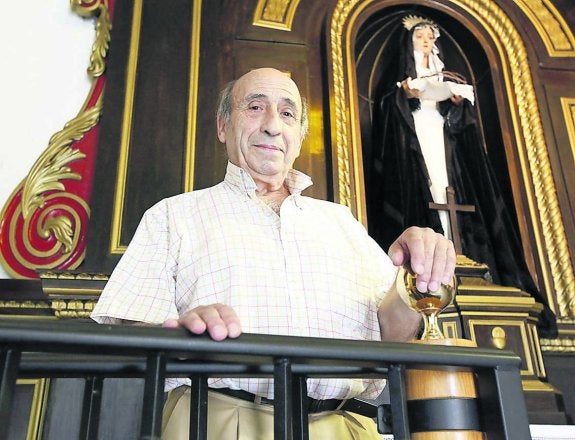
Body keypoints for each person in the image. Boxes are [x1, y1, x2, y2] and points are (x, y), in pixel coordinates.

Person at [91, 67, 456, 439]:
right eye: (254, 107)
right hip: (215, 419)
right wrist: (180, 335)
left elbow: (392, 334)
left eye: (287, 113)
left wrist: (413, 277)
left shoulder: (341, 222)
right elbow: (131, 327)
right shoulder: (173, 215)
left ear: (298, 136)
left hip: (344, 427)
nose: (272, 125)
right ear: (223, 126)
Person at [366, 16, 556, 336]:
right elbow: (389, 116)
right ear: (410, 44)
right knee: (427, 190)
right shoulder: (400, 81)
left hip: (444, 138)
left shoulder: (445, 72)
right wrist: (405, 96)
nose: (426, 42)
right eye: (420, 37)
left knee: (448, 188)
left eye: (429, 37)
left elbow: (463, 124)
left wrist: (457, 104)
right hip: (416, 139)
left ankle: (462, 254)